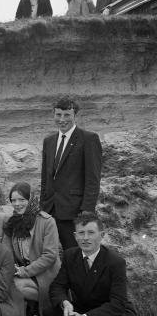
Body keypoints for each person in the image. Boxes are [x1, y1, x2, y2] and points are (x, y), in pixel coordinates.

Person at [46, 213, 136, 316]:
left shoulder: (115, 262)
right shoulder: (70, 255)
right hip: (85, 307)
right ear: (75, 236)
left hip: (115, 312)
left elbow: (118, 303)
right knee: (51, 311)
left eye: (91, 232)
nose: (85, 238)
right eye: (81, 233)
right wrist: (65, 303)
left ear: (101, 235)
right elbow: (57, 286)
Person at [40, 96, 102, 250]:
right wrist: (42, 207)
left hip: (74, 212)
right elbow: (45, 178)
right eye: (58, 114)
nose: (62, 119)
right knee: (50, 254)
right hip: (49, 212)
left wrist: (86, 214)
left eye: (67, 115)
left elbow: (93, 180)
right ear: (53, 114)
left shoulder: (89, 139)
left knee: (76, 254)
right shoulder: (48, 141)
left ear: (75, 115)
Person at [3, 182, 61, 316]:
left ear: (31, 199)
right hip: (23, 270)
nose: (17, 204)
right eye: (13, 200)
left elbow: (50, 255)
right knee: (5, 283)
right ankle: (25, 315)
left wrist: (25, 271)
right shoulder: (13, 222)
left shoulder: (47, 221)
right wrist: (11, 267)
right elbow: (8, 251)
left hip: (46, 273)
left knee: (16, 286)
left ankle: (47, 310)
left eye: (22, 200)